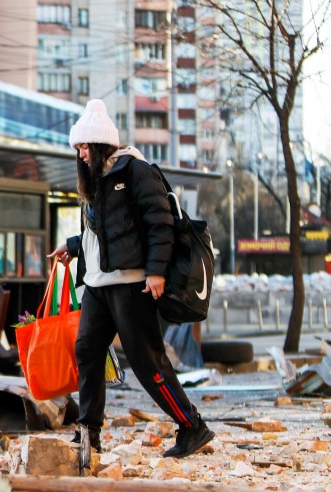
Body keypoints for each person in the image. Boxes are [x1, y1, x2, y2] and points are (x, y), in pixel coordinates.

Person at [48, 99, 215, 459]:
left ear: (100, 144)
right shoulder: (93, 183)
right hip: (98, 284)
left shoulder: (135, 171)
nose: (80, 155)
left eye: (84, 147)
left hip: (133, 283)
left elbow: (160, 224)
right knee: (88, 352)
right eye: (77, 148)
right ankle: (89, 432)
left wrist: (155, 272)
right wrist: (74, 246)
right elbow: (104, 234)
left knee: (146, 360)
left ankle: (192, 426)